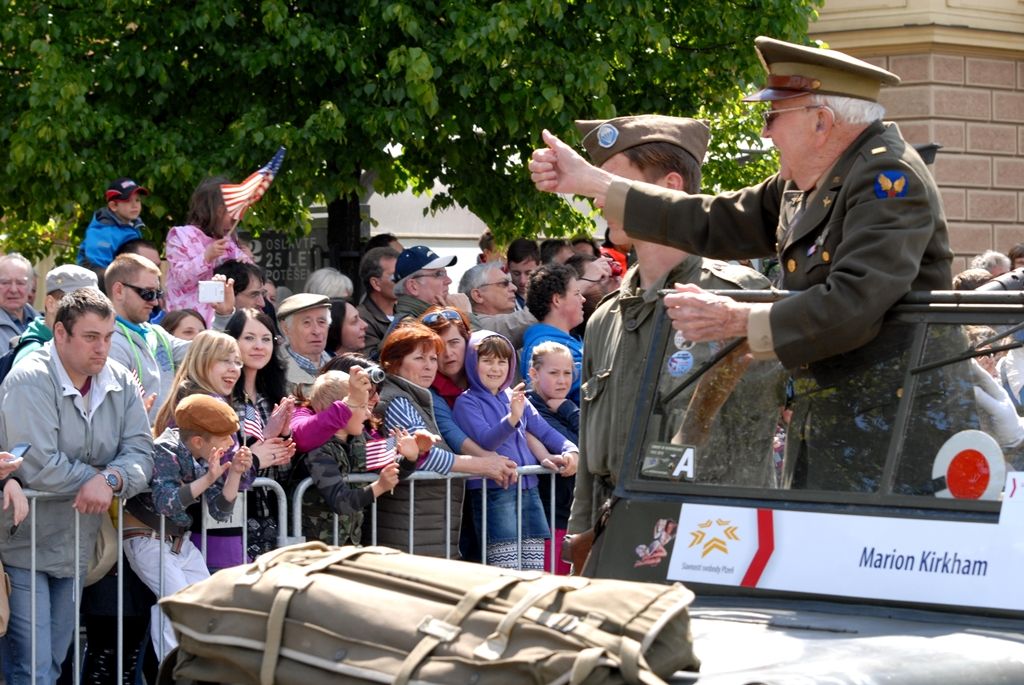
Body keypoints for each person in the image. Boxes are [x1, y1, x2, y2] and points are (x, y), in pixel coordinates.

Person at [530, 37, 955, 495]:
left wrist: (739, 320)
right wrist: (594, 181)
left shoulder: (886, 179)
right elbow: (710, 219)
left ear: (821, 122)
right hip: (844, 424)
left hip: (894, 432)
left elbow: (855, 303)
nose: (767, 133)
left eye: (773, 116)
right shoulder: (809, 182)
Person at [542, 115, 771, 554]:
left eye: (613, 184)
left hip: (707, 535)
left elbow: (750, 437)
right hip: (615, 532)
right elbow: (592, 452)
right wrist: (581, 536)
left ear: (670, 185)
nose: (599, 201)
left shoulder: (735, 298)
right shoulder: (606, 316)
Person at [0, 288, 153, 684]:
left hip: (77, 544)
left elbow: (141, 453)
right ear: (60, 334)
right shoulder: (29, 378)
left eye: (108, 337)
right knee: (31, 667)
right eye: (90, 337)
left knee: (53, 661)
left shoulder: (120, 379)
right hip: (22, 543)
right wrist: (98, 477)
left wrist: (112, 478)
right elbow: (36, 465)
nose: (102, 348)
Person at [122, 394, 253, 661]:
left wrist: (235, 474)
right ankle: (173, 673)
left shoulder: (200, 457)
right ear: (197, 441)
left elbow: (219, 510)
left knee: (207, 601)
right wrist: (208, 478)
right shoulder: (164, 450)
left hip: (177, 542)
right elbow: (166, 502)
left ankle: (198, 669)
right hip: (147, 537)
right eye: (224, 438)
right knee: (176, 602)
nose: (230, 443)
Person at [376, 321, 518, 556]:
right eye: (420, 358)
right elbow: (423, 457)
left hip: (424, 525)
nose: (429, 366)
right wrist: (482, 465)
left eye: (433, 359)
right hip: (410, 528)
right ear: (394, 362)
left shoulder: (415, 397)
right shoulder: (397, 400)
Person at [452, 331, 578, 569]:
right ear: (472, 362)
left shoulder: (515, 396)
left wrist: (571, 450)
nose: (496, 368)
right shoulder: (466, 402)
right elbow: (487, 441)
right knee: (506, 568)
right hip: (494, 491)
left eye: (502, 361)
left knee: (534, 569)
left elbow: (545, 432)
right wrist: (512, 418)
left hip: (530, 490)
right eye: (487, 361)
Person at [152, 330, 253, 571]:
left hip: (190, 531)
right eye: (224, 360)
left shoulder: (189, 398)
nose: (234, 368)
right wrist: (255, 459)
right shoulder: (204, 405)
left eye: (237, 362)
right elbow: (227, 470)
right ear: (201, 361)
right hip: (195, 533)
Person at [297, 370, 420, 545]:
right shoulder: (319, 450)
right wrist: (379, 487)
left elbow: (388, 473)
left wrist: (410, 458)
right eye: (362, 407)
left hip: (348, 542)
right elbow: (340, 502)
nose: (369, 414)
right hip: (315, 547)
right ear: (342, 410)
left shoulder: (359, 438)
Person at [223, 307, 296, 558]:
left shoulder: (274, 397)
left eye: (266, 339)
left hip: (273, 515)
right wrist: (261, 441)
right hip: (231, 516)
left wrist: (284, 440)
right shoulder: (224, 398)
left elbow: (282, 469)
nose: (259, 346)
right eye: (249, 338)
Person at [106, 254, 195, 418]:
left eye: (158, 294)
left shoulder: (156, 333)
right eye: (147, 293)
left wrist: (223, 315)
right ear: (118, 290)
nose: (154, 302)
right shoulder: (108, 341)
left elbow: (202, 352)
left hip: (163, 436)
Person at [165, 177, 254, 323]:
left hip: (221, 319)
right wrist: (206, 257)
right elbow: (181, 278)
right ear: (218, 211)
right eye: (232, 218)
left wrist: (246, 263)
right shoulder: (180, 236)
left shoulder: (228, 242)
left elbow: (248, 274)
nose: (235, 223)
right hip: (188, 322)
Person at [525, 341, 579, 574]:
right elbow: (575, 443)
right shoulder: (529, 406)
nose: (562, 380)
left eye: (567, 373)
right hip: (547, 515)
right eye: (554, 373)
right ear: (534, 374)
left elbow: (596, 439)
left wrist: (568, 408)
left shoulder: (567, 406)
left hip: (571, 514)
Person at [520, 263, 585, 404]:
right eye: (577, 294)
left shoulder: (565, 341)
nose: (583, 299)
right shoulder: (546, 347)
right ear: (557, 300)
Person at [10, 264, 99, 365]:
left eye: (92, 304)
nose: (87, 310)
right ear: (50, 304)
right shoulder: (33, 356)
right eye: (77, 302)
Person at [77, 177, 149, 274]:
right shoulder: (103, 231)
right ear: (113, 206)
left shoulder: (132, 226)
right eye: (128, 200)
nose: (135, 205)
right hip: (100, 282)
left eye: (137, 200)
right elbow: (98, 270)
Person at [277, 293, 332, 395]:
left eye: (322, 322)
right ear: (286, 328)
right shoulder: (274, 371)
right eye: (307, 323)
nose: (317, 331)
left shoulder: (339, 367)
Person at [357, 246, 399, 358]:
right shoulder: (361, 319)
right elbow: (374, 361)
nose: (403, 280)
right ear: (376, 283)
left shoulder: (400, 312)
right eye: (395, 276)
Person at [0, 254, 40, 352]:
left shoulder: (43, 324)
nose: (13, 290)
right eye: (5, 282)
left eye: (20, 283)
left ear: (31, 287)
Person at [505, 238, 540, 310]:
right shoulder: (501, 299)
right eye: (516, 274)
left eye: (528, 273)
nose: (522, 281)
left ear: (539, 266)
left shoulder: (551, 296)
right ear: (507, 268)